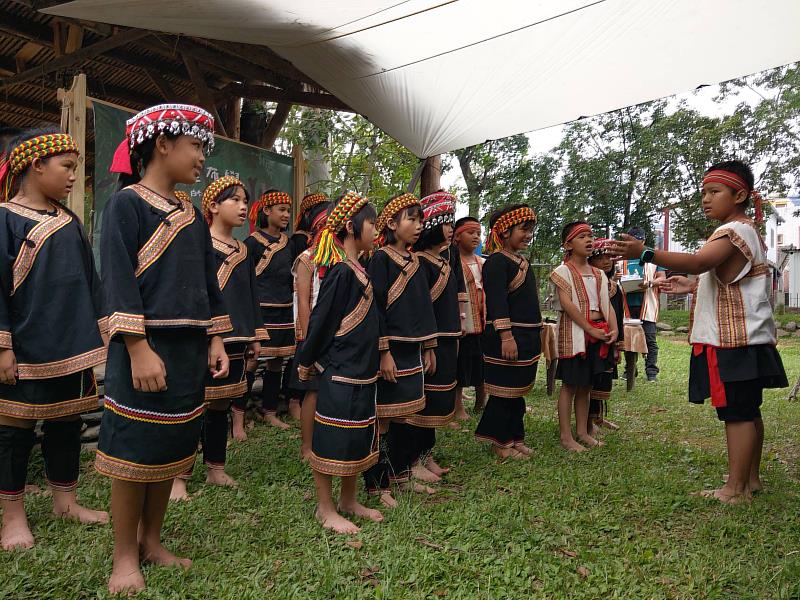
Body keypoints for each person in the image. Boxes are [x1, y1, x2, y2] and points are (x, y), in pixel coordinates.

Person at [98, 104, 231, 594]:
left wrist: (215, 336)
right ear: (162, 144)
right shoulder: (126, 205)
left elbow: (206, 283)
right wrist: (136, 347)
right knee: (133, 454)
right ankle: (123, 557)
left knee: (170, 450)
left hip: (187, 351)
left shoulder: (193, 215)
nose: (201, 158)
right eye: (196, 146)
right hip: (144, 350)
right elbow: (115, 278)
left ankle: (152, 542)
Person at [610, 160, 787, 504]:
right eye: (704, 192)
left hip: (732, 339)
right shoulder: (748, 230)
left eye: (714, 192)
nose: (705, 199)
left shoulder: (732, 232)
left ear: (739, 195)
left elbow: (700, 261)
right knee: (748, 410)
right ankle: (749, 479)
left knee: (736, 413)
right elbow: (723, 276)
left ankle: (735, 490)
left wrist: (644, 252)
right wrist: (693, 285)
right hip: (747, 337)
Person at [0, 127, 109, 550]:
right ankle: (12, 516)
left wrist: (103, 330)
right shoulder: (5, 219)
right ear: (35, 165)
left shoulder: (70, 220)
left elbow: (90, 282)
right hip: (24, 347)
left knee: (68, 422)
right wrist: (4, 346)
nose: (71, 178)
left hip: (73, 346)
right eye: (66, 167)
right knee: (14, 431)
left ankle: (65, 501)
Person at [295, 191, 384, 534]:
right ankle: (324, 506)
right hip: (341, 371)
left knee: (357, 435)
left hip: (363, 371)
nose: (376, 230)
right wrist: (308, 358)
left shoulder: (360, 269)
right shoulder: (339, 272)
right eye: (372, 224)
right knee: (332, 436)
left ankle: (349, 499)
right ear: (351, 226)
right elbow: (321, 321)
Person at [178, 176, 266, 489]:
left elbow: (251, 296)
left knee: (221, 406)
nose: (243, 207)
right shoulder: (199, 246)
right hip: (205, 339)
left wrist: (254, 335)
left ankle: (216, 467)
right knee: (193, 406)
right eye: (235, 201)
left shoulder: (244, 249)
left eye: (246, 201)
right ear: (213, 206)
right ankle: (179, 476)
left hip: (237, 340)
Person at [362, 193, 438, 503]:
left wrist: (430, 346)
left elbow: (424, 307)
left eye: (421, 220)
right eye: (412, 219)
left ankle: (402, 475)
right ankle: (377, 486)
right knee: (382, 420)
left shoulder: (416, 261)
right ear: (392, 224)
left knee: (406, 417)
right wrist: (383, 352)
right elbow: (376, 308)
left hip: (413, 350)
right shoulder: (380, 259)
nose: (419, 226)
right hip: (391, 350)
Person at [474, 204, 542, 459]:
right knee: (504, 393)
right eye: (523, 229)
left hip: (526, 337)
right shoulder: (497, 263)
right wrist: (506, 336)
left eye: (530, 230)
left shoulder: (521, 261)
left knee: (517, 393)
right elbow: (497, 303)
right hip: (507, 338)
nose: (528, 235)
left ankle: (515, 437)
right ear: (503, 231)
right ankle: (500, 443)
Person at [408, 191, 465, 481]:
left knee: (437, 399)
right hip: (429, 339)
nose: (450, 228)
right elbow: (419, 308)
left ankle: (426, 453)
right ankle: (412, 459)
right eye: (445, 222)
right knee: (422, 399)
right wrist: (428, 342)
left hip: (447, 337)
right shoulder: (418, 262)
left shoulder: (444, 259)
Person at [550, 221, 618, 452]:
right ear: (568, 244)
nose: (588, 240)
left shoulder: (599, 274)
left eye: (590, 236)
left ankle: (582, 431)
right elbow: (568, 304)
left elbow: (606, 304)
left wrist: (614, 329)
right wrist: (589, 329)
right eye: (582, 237)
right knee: (570, 384)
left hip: (598, 332)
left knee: (587, 385)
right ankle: (566, 436)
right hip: (575, 334)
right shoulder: (563, 272)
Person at [245, 190, 296, 429]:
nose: (286, 214)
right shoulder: (252, 243)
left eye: (288, 210)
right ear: (267, 211)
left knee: (277, 361)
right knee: (253, 360)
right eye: (281, 210)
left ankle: (269, 410)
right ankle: (239, 410)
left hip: (284, 309)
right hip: (260, 310)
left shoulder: (290, 243)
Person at [289, 195, 331, 459]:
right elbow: (303, 302)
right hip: (312, 335)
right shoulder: (307, 258)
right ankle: (306, 446)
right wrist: (308, 340)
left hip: (335, 334)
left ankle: (326, 441)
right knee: (312, 390)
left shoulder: (340, 257)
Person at [587, 239, 625, 432]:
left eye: (609, 257)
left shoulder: (614, 286)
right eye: (600, 258)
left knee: (605, 376)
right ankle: (588, 420)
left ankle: (599, 417)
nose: (606, 261)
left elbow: (618, 315)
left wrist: (619, 342)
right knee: (592, 377)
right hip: (593, 336)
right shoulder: (589, 283)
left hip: (610, 336)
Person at [453, 216, 486, 419]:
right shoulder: (452, 262)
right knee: (461, 366)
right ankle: (458, 407)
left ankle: (482, 401)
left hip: (483, 323)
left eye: (478, 233)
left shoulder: (484, 262)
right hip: (463, 324)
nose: (476, 237)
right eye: (470, 232)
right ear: (457, 237)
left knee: (482, 365)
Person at [623, 226, 665, 383]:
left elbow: (662, 278)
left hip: (647, 305)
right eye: (630, 240)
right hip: (627, 305)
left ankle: (651, 371)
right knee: (628, 339)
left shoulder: (653, 257)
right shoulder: (622, 259)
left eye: (637, 241)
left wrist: (649, 283)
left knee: (650, 339)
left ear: (643, 241)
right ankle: (630, 370)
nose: (634, 243)